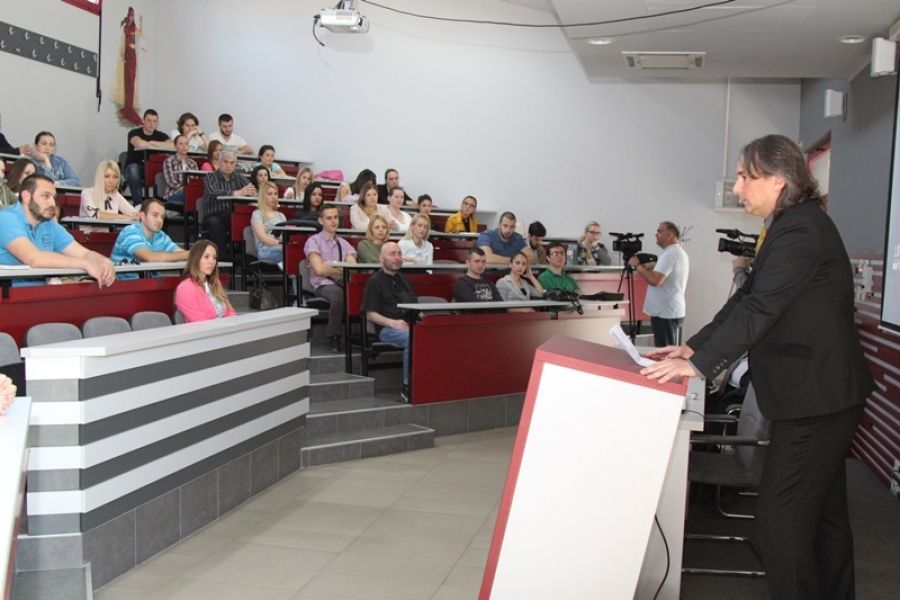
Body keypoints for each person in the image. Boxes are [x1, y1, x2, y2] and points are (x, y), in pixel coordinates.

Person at [640, 134, 874, 600]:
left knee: (779, 522)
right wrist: (692, 349)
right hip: (818, 396)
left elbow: (760, 309)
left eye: (746, 177)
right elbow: (745, 299)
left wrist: (700, 366)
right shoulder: (790, 225)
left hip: (816, 401)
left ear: (779, 179)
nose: (737, 188)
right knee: (823, 518)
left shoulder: (801, 230)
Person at [0, 174, 115, 287]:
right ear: (26, 196)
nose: (52, 203)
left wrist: (103, 260)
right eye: (46, 196)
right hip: (8, 294)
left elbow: (84, 253)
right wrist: (86, 264)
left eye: (53, 197)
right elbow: (34, 259)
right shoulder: (6, 218)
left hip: (39, 292)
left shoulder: (49, 224)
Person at [361, 241, 418, 402]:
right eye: (392, 254)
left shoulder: (404, 279)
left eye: (399, 253)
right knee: (413, 338)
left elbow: (415, 307)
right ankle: (408, 387)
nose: (397, 257)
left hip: (409, 324)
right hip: (387, 329)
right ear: (381, 258)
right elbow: (370, 315)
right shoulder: (374, 281)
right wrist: (393, 323)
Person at [627, 221, 689, 347]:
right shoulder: (676, 252)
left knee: (664, 353)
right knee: (666, 350)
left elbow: (655, 281)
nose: (656, 234)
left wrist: (637, 265)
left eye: (660, 231)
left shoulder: (670, 254)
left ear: (670, 236)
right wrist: (654, 265)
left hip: (665, 314)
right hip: (668, 311)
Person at [304, 206, 357, 351]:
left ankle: (363, 334)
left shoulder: (343, 243)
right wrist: (341, 268)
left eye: (336, 217)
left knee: (362, 290)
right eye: (329, 218)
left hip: (342, 282)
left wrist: (331, 266)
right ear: (321, 221)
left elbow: (353, 267)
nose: (333, 221)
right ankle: (334, 335)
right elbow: (319, 270)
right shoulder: (313, 241)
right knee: (338, 295)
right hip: (322, 285)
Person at [200, 149, 254, 254]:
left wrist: (249, 192)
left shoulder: (239, 177)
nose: (228, 165)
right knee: (216, 223)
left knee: (250, 220)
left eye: (232, 163)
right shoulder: (210, 177)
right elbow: (212, 191)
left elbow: (251, 190)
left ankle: (245, 257)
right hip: (215, 214)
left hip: (234, 214)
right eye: (225, 162)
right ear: (219, 162)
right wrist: (237, 193)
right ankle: (221, 257)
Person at [111, 197, 189, 267]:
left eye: (162, 217)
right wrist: (189, 254)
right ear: (142, 216)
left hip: (147, 278)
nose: (160, 220)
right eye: (155, 215)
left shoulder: (160, 235)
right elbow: (149, 257)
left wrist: (191, 254)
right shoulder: (130, 232)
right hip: (123, 279)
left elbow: (180, 252)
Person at [174, 240, 236, 322]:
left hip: (224, 327)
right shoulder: (185, 288)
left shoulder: (215, 282)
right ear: (196, 259)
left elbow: (229, 311)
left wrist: (234, 325)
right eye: (206, 257)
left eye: (214, 258)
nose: (212, 262)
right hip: (206, 329)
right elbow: (201, 322)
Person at [124, 109, 173, 205]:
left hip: (152, 170)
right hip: (134, 168)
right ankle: (138, 204)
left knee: (166, 170)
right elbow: (140, 144)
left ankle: (162, 205)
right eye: (149, 120)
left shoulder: (161, 135)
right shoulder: (134, 133)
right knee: (134, 169)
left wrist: (150, 143)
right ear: (143, 121)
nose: (152, 124)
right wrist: (160, 145)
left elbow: (172, 146)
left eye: (155, 121)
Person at [80, 161, 139, 228]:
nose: (111, 181)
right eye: (107, 176)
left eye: (115, 177)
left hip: (111, 233)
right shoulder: (87, 193)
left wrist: (139, 216)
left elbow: (135, 214)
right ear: (100, 177)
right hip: (89, 234)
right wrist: (128, 217)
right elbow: (96, 214)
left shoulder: (116, 195)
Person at [115, 7, 143, 125]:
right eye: (130, 16)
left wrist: (141, 22)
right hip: (127, 56)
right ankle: (127, 106)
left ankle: (130, 107)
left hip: (132, 57)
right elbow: (123, 42)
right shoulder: (126, 28)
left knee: (131, 80)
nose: (131, 18)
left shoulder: (133, 29)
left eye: (132, 16)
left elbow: (139, 34)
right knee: (127, 82)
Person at [251, 181, 286, 264]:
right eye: (270, 194)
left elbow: (285, 236)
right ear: (263, 196)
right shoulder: (257, 214)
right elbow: (263, 238)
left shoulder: (281, 215)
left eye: (275, 194)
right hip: (265, 249)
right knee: (288, 252)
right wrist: (282, 244)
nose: (273, 197)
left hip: (281, 247)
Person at [162, 135, 200, 206]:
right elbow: (171, 182)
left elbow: (195, 182)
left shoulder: (193, 163)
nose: (184, 146)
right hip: (174, 193)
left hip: (189, 192)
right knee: (189, 195)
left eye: (186, 144)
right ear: (175, 146)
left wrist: (190, 189)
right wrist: (186, 189)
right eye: (181, 144)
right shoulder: (168, 161)